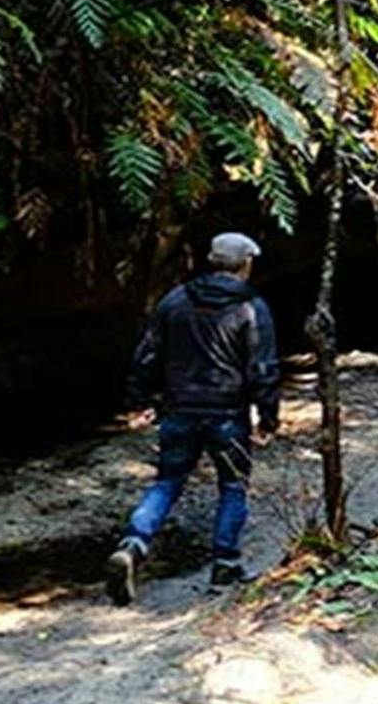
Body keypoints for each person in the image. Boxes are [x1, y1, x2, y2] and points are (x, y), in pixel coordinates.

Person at [105, 231, 280, 605]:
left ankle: (133, 545)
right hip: (228, 414)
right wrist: (268, 417)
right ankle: (225, 565)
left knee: (167, 482)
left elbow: (146, 354)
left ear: (212, 260)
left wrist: (138, 401)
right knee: (232, 487)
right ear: (245, 264)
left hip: (179, 411)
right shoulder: (252, 307)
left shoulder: (176, 299)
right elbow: (263, 367)